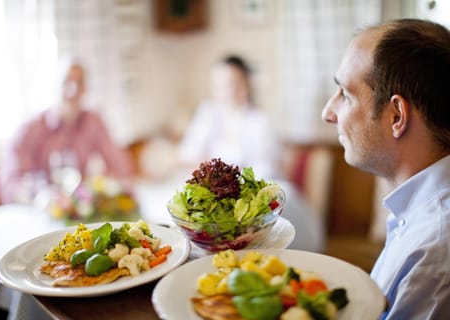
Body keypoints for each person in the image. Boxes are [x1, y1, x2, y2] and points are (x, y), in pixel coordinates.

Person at [321, 18, 450, 318]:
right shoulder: (416, 212)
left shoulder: (432, 252)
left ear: (396, 117)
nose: (328, 112)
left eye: (345, 94)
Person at [178, 54, 324, 252]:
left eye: (231, 84)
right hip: (214, 193)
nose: (225, 91)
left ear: (245, 85)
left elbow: (267, 168)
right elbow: (189, 154)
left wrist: (234, 184)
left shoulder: (259, 121)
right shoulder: (207, 114)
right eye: (218, 85)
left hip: (253, 189)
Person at [0, 57, 132, 205]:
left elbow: (121, 168)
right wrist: (39, 196)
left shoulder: (93, 122)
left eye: (79, 83)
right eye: (66, 81)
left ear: (85, 89)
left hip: (76, 211)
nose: (73, 90)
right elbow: (9, 185)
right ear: (54, 86)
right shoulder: (29, 130)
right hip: (37, 212)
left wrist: (103, 186)